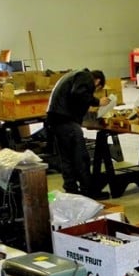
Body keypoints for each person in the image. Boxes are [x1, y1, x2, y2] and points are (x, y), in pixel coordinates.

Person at [46, 68, 105, 196]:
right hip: (65, 120)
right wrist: (97, 101)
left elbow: (74, 97)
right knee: (80, 157)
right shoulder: (86, 77)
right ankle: (88, 190)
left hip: (55, 119)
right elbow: (78, 94)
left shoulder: (74, 75)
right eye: (96, 89)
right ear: (98, 81)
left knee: (67, 158)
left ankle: (71, 189)